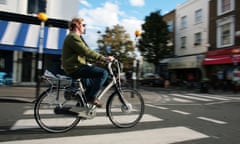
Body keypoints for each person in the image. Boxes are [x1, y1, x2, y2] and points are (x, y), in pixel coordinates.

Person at [61, 18, 114, 107]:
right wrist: (103, 58)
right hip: (75, 68)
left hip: (75, 67)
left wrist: (99, 60)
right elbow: (86, 51)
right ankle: (92, 98)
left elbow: (83, 54)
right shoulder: (73, 37)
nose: (84, 27)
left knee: (91, 85)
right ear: (77, 25)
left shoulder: (73, 37)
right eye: (83, 25)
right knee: (103, 73)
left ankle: (81, 107)